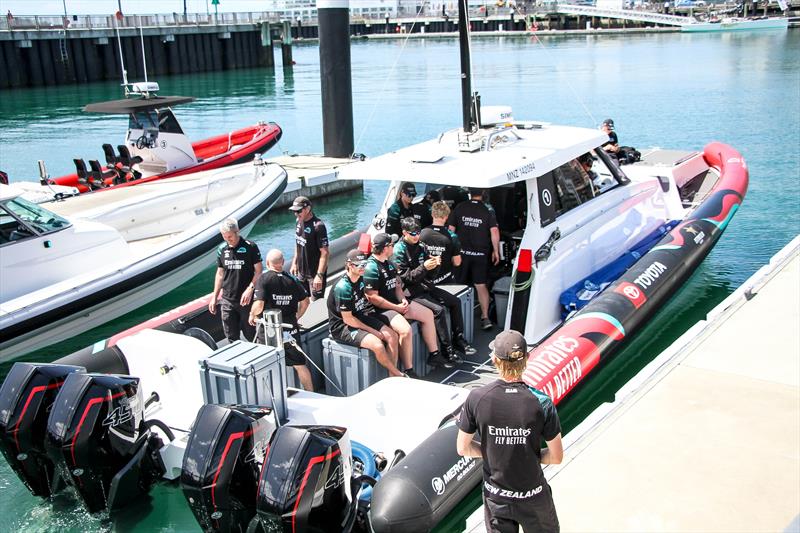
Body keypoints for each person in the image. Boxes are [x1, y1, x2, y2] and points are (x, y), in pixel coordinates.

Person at [456, 330, 563, 533]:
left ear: (494, 360)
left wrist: (493, 452)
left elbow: (463, 448)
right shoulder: (542, 403)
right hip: (534, 497)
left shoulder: (477, 398)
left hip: (497, 498)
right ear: (527, 358)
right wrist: (526, 455)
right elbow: (556, 457)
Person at [394, 217, 476, 362]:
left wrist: (435, 265)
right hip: (409, 291)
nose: (417, 236)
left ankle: (458, 339)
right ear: (404, 233)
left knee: (455, 301)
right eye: (413, 234)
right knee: (438, 310)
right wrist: (424, 267)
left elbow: (430, 275)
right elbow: (406, 278)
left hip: (424, 285)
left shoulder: (422, 245)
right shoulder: (399, 250)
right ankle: (446, 351)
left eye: (418, 232)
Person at [364, 232, 450, 371]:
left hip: (395, 304)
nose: (394, 247)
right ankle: (408, 369)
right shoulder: (371, 268)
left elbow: (398, 285)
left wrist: (403, 300)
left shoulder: (389, 263)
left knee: (428, 314)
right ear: (385, 248)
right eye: (392, 245)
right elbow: (373, 298)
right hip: (379, 309)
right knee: (406, 330)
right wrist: (396, 307)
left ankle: (434, 355)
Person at [328, 249, 404, 378]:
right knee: (377, 345)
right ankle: (398, 374)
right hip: (342, 326)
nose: (363, 268)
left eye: (365, 264)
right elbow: (348, 320)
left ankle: (392, 376)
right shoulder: (343, 288)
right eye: (359, 265)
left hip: (359, 315)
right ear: (350, 265)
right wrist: (373, 331)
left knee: (392, 336)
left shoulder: (361, 278)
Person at [249, 249, 314, 391]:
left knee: (267, 363)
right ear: (283, 262)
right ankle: (312, 393)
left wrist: (252, 315)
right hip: (290, 328)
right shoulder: (293, 280)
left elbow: (259, 305)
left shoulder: (263, 279)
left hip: (269, 329)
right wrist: (296, 317)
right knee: (299, 364)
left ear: (267, 263)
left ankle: (272, 395)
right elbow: (306, 302)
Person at [448, 188, 500, 331]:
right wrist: (496, 251)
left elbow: (451, 229)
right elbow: (494, 231)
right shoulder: (487, 210)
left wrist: (450, 251)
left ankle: (456, 319)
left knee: (459, 285)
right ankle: (485, 318)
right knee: (481, 285)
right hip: (480, 254)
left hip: (462, 253)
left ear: (469, 193)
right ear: (483, 193)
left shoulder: (460, 207)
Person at [209, 218, 263, 343]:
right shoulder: (222, 249)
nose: (228, 239)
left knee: (252, 335)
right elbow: (220, 273)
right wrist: (214, 297)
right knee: (231, 336)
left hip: (246, 301)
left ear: (237, 232)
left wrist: (250, 289)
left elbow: (259, 271)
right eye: (224, 237)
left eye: (230, 236)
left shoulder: (250, 247)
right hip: (227, 300)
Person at [289, 196, 329, 301]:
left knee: (316, 304)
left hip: (314, 273)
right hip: (301, 273)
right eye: (294, 212)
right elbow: (298, 242)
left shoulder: (318, 226)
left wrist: (319, 275)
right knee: (302, 301)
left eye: (299, 211)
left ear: (307, 209)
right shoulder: (298, 221)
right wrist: (294, 263)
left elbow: (324, 253)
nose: (296, 214)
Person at [420, 200, 462, 286]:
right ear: (447, 216)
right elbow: (457, 262)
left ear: (432, 214)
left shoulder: (421, 233)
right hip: (446, 280)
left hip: (425, 279)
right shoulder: (452, 236)